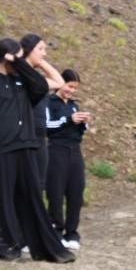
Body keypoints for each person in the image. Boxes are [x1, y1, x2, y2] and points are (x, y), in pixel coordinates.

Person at [0, 38, 75, 263]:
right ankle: (6, 247)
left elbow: (50, 83)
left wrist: (20, 64)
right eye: (17, 55)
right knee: (1, 199)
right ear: (6, 57)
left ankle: (45, 249)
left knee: (32, 198)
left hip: (25, 147)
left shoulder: (22, 82)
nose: (21, 60)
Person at [45, 69, 90, 249]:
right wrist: (68, 120)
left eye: (75, 88)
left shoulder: (73, 105)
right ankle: (56, 230)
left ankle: (72, 233)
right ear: (59, 82)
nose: (71, 91)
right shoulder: (48, 102)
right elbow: (47, 126)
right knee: (55, 191)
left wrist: (83, 122)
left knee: (76, 191)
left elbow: (77, 129)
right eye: (69, 86)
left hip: (75, 151)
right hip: (56, 150)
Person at [20, 34, 65, 190]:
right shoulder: (21, 76)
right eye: (40, 49)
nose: (44, 53)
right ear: (28, 50)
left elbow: (60, 83)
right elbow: (59, 82)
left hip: (39, 139)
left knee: (39, 185)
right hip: (23, 138)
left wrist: (40, 62)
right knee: (26, 185)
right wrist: (34, 61)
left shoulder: (36, 78)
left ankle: (33, 214)